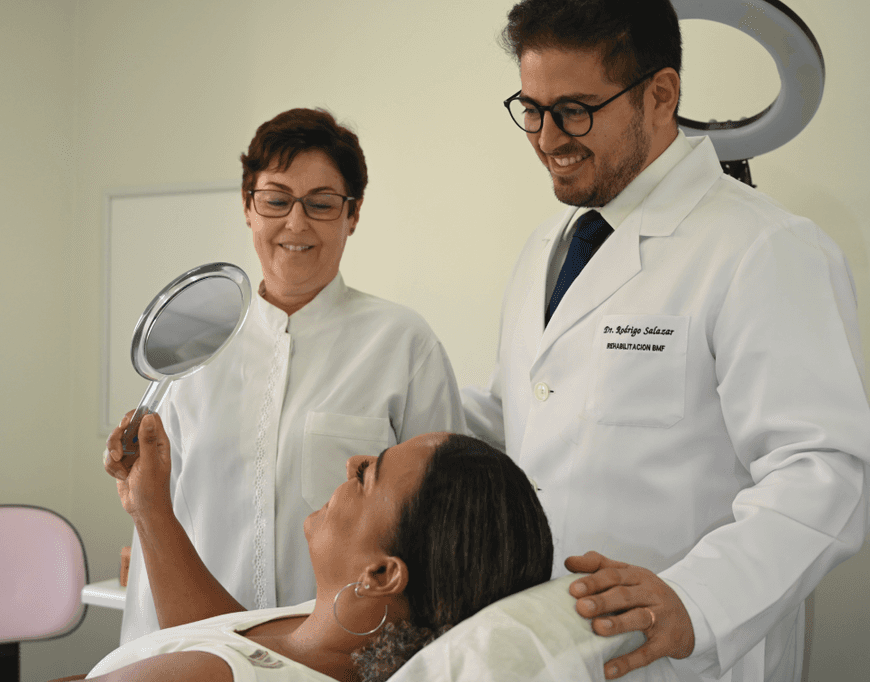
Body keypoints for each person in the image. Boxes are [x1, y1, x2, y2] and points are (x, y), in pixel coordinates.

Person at [462, 1, 870, 680]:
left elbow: (823, 471)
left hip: (690, 656)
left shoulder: (763, 247)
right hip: (548, 646)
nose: (546, 137)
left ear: (661, 94)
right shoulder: (548, 248)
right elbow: (521, 416)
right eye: (531, 108)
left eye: (575, 108)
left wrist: (698, 600)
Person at [105, 107, 466, 644]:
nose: (296, 224)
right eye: (276, 200)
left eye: (321, 204)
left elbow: (443, 525)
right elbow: (162, 505)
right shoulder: (193, 343)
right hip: (185, 649)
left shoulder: (403, 345)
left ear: (354, 214)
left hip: (333, 658)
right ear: (248, 208)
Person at [82, 415, 552, 681]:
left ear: (381, 574)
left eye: (370, 475)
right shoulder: (334, 637)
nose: (352, 463)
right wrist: (151, 510)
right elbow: (213, 637)